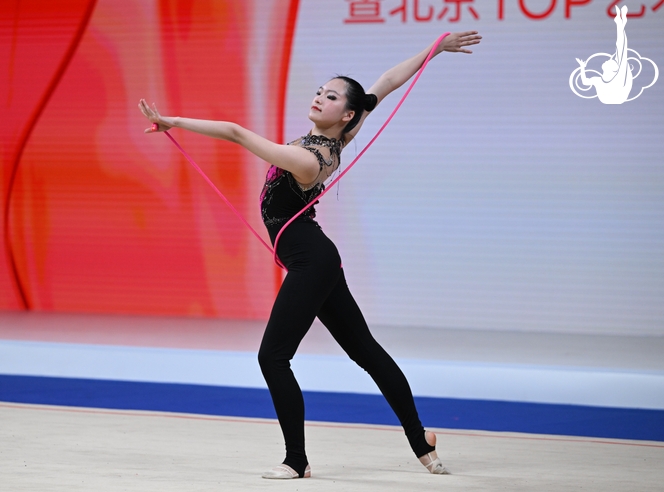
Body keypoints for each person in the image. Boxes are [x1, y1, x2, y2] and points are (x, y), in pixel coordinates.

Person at [138, 30, 482, 480]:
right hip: (316, 258)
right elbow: (388, 79)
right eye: (321, 91)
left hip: (311, 261)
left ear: (348, 114)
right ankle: (421, 440)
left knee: (273, 357)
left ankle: (296, 460)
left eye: (332, 96)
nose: (320, 98)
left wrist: (175, 122)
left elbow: (238, 133)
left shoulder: (309, 160)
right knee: (367, 353)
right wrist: (434, 49)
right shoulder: (338, 137)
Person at [576, 5, 632, 104]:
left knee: (621, 50)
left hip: (618, 97)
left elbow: (621, 48)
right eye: (612, 60)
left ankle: (621, 24)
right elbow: (585, 82)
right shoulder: (598, 80)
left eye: (611, 61)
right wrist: (582, 67)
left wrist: (620, 25)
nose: (609, 59)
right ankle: (621, 24)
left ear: (613, 69)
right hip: (610, 99)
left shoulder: (619, 77)